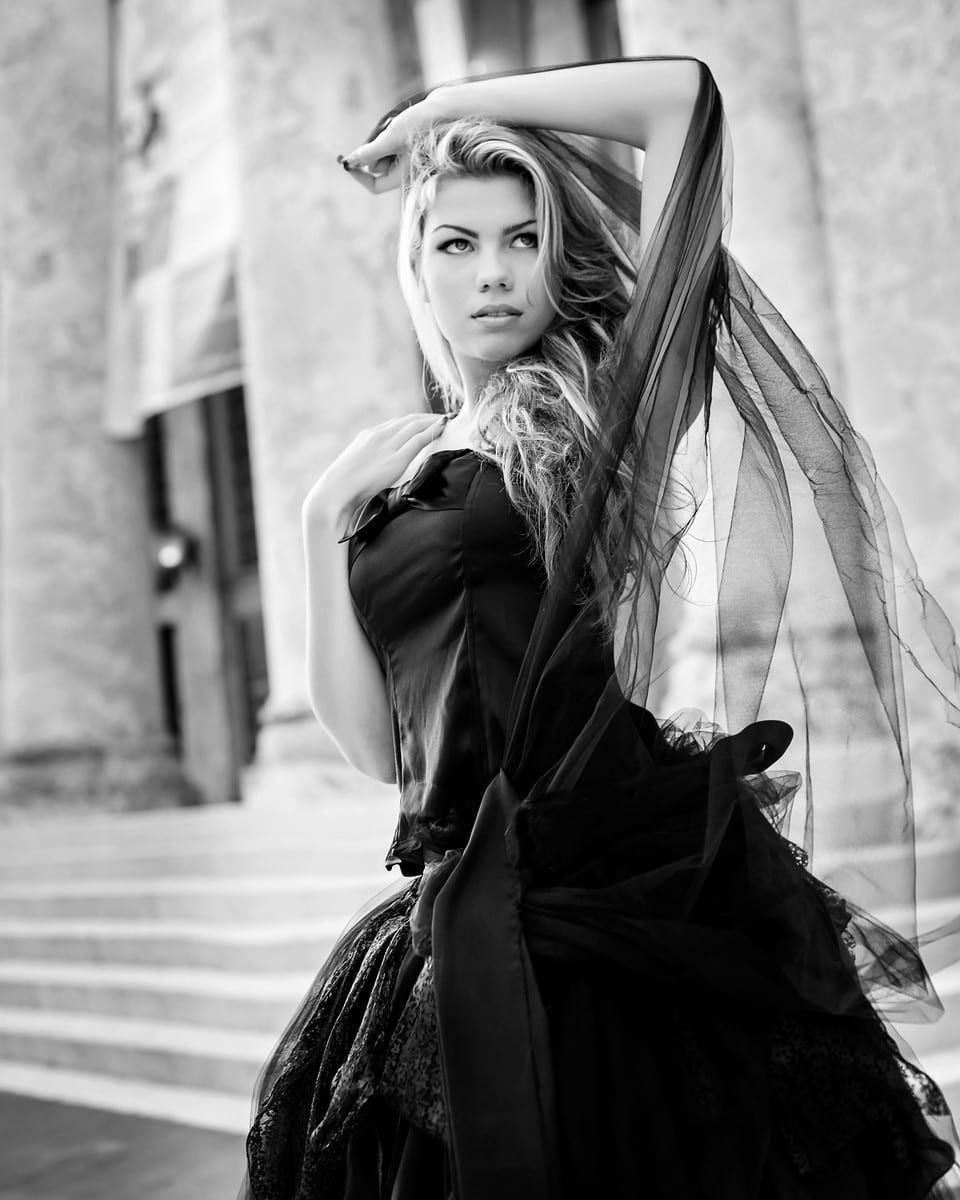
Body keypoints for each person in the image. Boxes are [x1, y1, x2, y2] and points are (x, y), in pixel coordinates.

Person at [238, 56, 960, 1199]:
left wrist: (444, 111)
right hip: (450, 896)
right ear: (414, 268)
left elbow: (680, 103)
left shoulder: (598, 410)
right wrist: (322, 520)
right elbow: (380, 751)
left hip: (610, 885)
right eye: (457, 243)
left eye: (523, 239)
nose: (493, 272)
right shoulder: (387, 474)